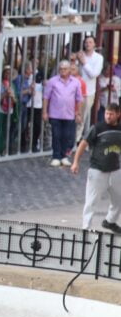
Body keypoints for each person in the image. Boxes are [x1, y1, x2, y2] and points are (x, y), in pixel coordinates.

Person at [72, 103, 121, 233]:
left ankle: (110, 221)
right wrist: (76, 162)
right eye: (106, 113)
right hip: (98, 170)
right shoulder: (97, 128)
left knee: (118, 199)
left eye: (111, 114)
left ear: (118, 114)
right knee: (91, 201)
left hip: (115, 170)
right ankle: (86, 228)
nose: (108, 116)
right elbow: (83, 144)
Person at [43, 60, 83, 167]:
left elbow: (79, 99)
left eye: (65, 69)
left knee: (67, 136)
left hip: (69, 114)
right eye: (61, 68)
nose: (62, 71)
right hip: (55, 114)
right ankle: (56, 156)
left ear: (70, 70)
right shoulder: (52, 81)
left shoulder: (75, 82)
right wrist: (45, 112)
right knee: (56, 135)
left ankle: (64, 156)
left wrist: (78, 113)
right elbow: (46, 97)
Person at [78, 35, 104, 141]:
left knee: (82, 117)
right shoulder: (80, 55)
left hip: (88, 92)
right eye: (86, 42)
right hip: (75, 90)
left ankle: (76, 141)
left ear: (94, 44)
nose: (88, 44)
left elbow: (94, 74)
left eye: (90, 42)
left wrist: (84, 63)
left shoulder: (98, 58)